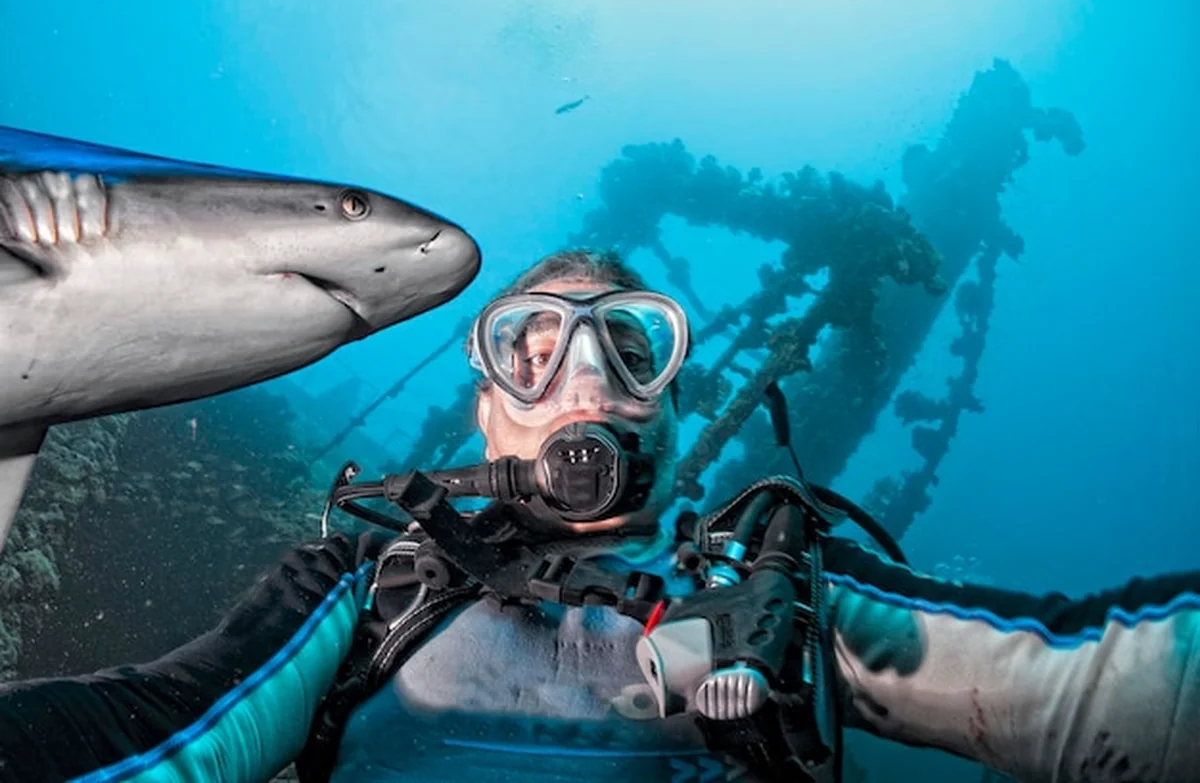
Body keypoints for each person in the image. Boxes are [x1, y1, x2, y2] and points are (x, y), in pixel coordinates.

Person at [1, 248, 1198, 783]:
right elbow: (166, 725)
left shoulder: (782, 587)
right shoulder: (374, 581)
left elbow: (1101, 681)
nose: (580, 377)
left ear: (673, 405)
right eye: (531, 346)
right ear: (487, 410)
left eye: (630, 349)